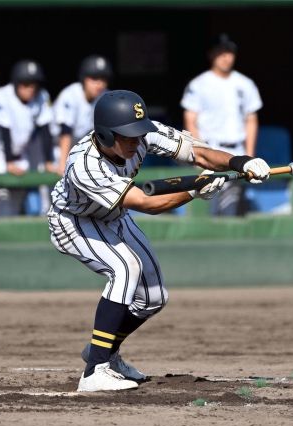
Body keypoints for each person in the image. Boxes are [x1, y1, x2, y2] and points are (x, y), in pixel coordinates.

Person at [48, 90, 270, 391]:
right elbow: (146, 203)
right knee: (125, 268)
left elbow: (198, 153)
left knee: (153, 298)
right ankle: (94, 372)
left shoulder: (141, 135)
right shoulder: (84, 164)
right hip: (74, 221)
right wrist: (194, 191)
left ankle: (105, 353)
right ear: (103, 133)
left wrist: (240, 161)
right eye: (126, 136)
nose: (135, 141)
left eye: (138, 134)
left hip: (112, 217)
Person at [181, 33, 263, 216]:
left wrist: (249, 154)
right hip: (210, 150)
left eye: (229, 53)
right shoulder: (199, 84)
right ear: (212, 55)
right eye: (221, 52)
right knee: (205, 209)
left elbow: (251, 120)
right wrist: (198, 152)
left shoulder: (245, 83)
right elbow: (190, 120)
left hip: (235, 152)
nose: (226, 57)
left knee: (231, 211)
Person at [0, 60, 54, 215]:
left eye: (34, 84)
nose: (31, 89)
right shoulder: (1, 96)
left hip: (22, 155)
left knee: (19, 206)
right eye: (25, 84)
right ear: (16, 83)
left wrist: (49, 161)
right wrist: (9, 163)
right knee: (3, 206)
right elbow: (4, 131)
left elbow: (45, 130)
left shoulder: (41, 97)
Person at [53, 55, 112, 175]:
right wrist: (63, 163)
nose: (100, 83)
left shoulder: (106, 96)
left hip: (81, 148)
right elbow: (65, 132)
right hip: (57, 148)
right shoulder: (70, 95)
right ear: (83, 79)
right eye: (94, 78)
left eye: (104, 79)